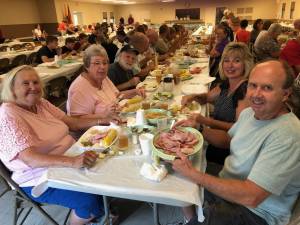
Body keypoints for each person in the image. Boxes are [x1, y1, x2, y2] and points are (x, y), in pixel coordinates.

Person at [174, 60, 300, 225]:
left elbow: (252, 196)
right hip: (232, 181)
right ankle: (193, 218)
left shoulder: (288, 135)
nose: (256, 94)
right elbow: (228, 140)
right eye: (253, 85)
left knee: (189, 177)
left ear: (286, 94)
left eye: (267, 88)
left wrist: (195, 175)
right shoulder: (250, 113)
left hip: (258, 213)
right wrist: (199, 129)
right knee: (177, 175)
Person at [0, 65, 115, 225]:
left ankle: (101, 211)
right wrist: (73, 162)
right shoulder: (8, 114)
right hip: (37, 177)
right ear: (11, 89)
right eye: (25, 83)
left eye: (35, 82)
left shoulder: (41, 104)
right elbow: (30, 159)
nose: (33, 87)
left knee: (111, 169)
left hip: (68, 157)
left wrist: (104, 120)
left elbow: (72, 123)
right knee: (88, 201)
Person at [182, 42, 253, 165]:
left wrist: (206, 121)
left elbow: (238, 129)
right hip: (215, 138)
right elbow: (206, 98)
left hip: (228, 150)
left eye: (236, 61)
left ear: (245, 64)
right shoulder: (226, 84)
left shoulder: (244, 91)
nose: (230, 65)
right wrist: (192, 97)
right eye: (226, 60)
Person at [67, 44, 144, 119]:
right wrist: (103, 115)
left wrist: (135, 92)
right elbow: (76, 120)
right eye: (97, 63)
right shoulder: (79, 88)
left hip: (116, 120)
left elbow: (117, 96)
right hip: (96, 129)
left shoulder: (103, 78)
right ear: (87, 66)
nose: (102, 67)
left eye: (105, 63)